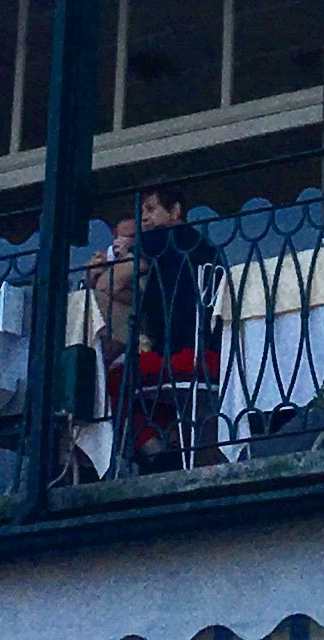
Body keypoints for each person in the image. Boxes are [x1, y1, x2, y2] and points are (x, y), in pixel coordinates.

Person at [91, 185, 224, 474]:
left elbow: (107, 285)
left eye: (151, 210)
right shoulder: (204, 247)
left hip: (182, 359)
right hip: (215, 358)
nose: (145, 220)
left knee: (113, 377)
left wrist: (118, 260)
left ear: (175, 210)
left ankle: (153, 449)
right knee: (152, 387)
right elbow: (144, 297)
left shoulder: (159, 239)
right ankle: (175, 446)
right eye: (142, 213)